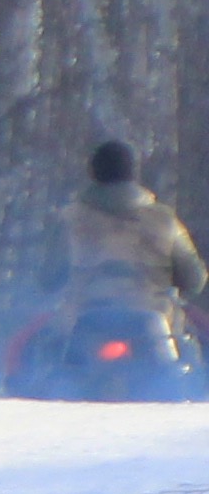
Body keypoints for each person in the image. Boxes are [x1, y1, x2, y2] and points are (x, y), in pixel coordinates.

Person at [61, 138, 207, 362]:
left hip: (83, 319)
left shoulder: (70, 219)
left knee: (45, 359)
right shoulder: (164, 220)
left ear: (93, 173)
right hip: (155, 325)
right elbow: (194, 280)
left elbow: (48, 277)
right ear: (134, 174)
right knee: (193, 357)